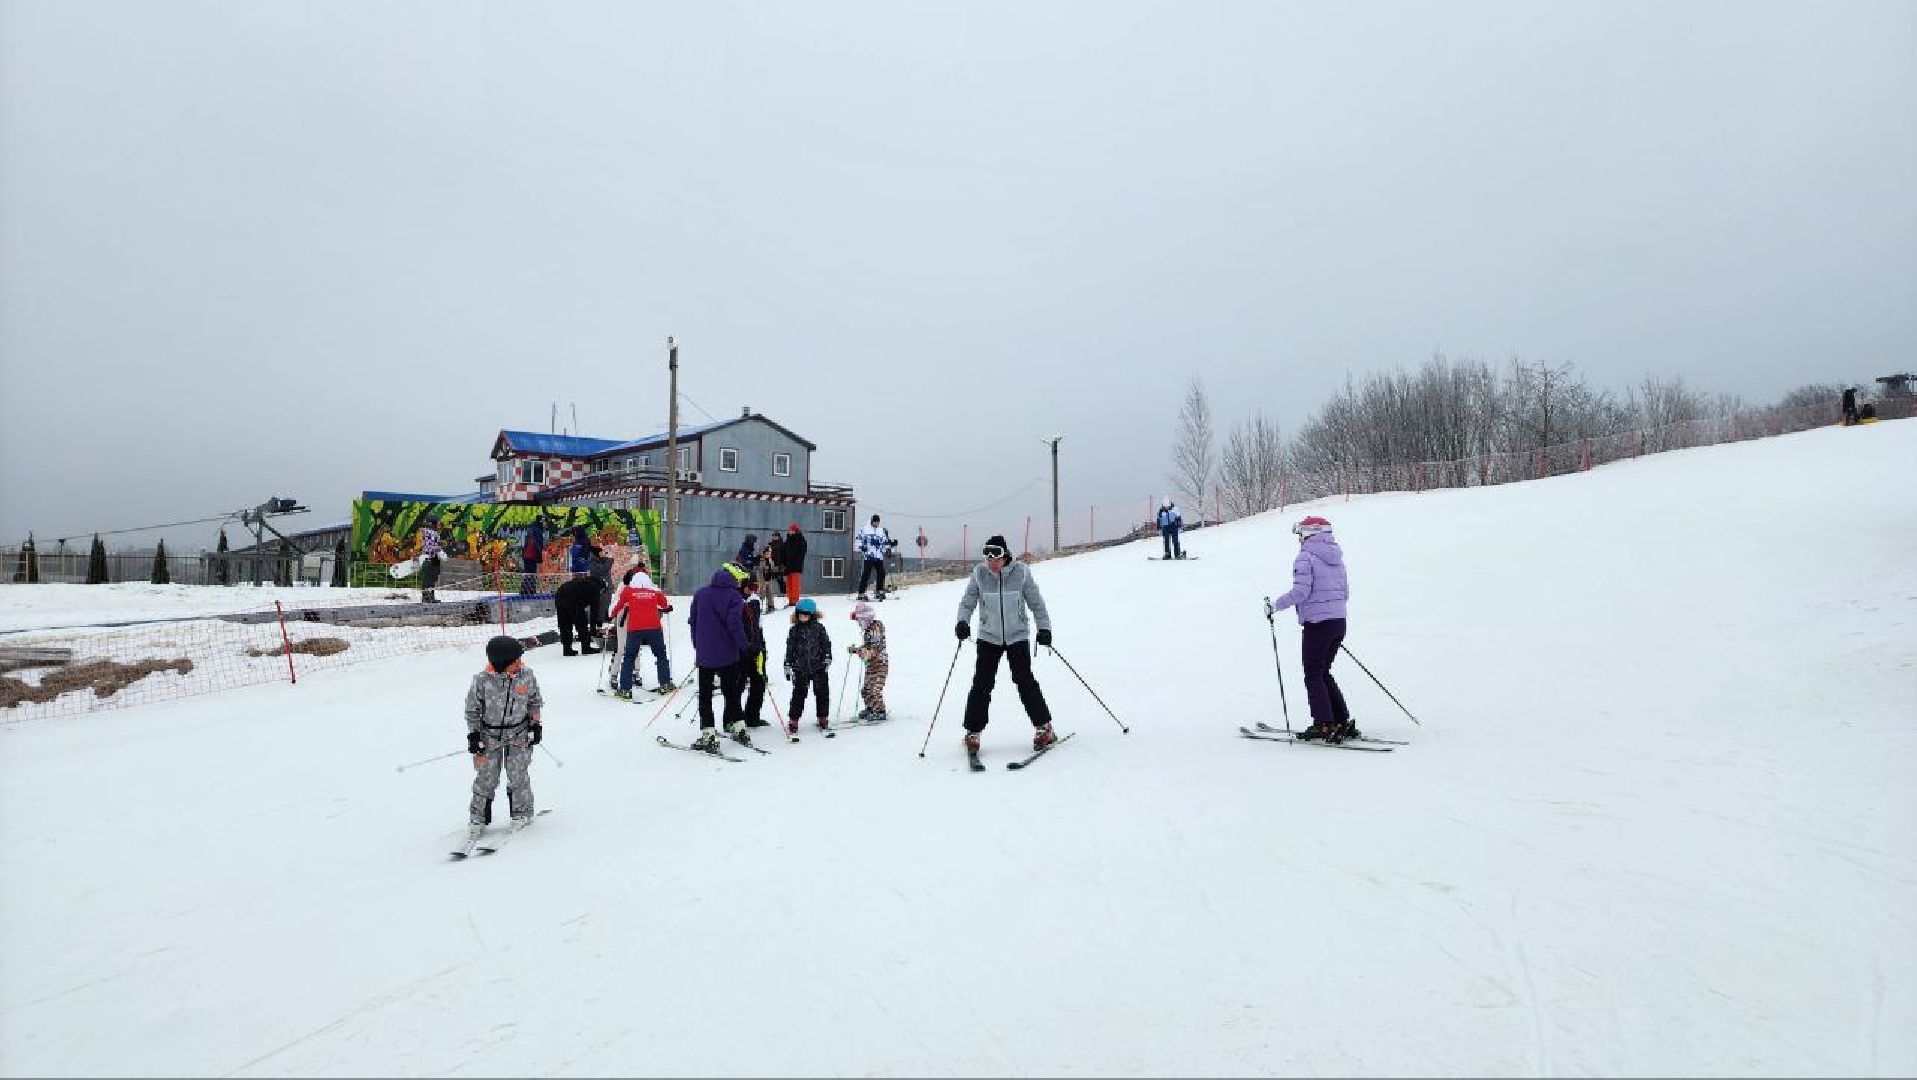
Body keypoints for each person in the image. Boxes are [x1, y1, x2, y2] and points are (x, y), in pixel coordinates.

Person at [954, 534, 1056, 754]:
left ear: (1005, 555)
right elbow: (968, 601)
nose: (992, 563)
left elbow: (1037, 604)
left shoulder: (1021, 573)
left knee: (1024, 680)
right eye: (988, 558)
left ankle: (1044, 728)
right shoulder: (979, 574)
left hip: (1017, 635)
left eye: (996, 557)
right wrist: (962, 622)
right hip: (988, 636)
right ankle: (973, 732)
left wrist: (1044, 628)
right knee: (982, 683)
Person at [1269, 515, 1354, 742]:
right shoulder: (1337, 557)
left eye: (1300, 535)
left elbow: (1300, 592)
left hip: (1318, 625)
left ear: (1310, 534)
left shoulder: (1305, 558)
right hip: (1338, 623)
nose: (1299, 539)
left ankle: (1324, 723)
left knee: (1313, 675)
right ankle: (1340, 719)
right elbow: (1345, 592)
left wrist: (1275, 606)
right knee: (1323, 672)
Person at [464, 634, 544, 838]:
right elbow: (472, 710)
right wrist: (474, 735)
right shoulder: (482, 681)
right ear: (501, 663)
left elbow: (534, 701)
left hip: (519, 734)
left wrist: (536, 725)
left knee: (518, 775)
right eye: (515, 659)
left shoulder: (526, 675)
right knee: (486, 777)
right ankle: (478, 817)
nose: (520, 662)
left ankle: (521, 813)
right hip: (489, 737)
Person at [688, 562, 753, 750]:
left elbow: (693, 621)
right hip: (728, 654)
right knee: (731, 691)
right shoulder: (734, 597)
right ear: (734, 577)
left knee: (705, 694)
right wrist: (745, 647)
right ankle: (740, 727)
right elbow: (735, 625)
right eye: (740, 580)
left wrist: (698, 646)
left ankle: (708, 733)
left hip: (705, 653)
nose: (741, 584)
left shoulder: (700, 594)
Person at [610, 568, 673, 697]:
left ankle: (625, 690)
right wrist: (667, 608)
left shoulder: (628, 591)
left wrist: (612, 615)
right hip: (654, 628)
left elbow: (619, 605)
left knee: (629, 658)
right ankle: (665, 683)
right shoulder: (654, 591)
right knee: (660, 655)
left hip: (635, 630)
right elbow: (665, 605)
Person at [782, 597, 832, 733]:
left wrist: (827, 657)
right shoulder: (794, 631)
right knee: (799, 695)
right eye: (800, 615)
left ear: (812, 615)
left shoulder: (819, 628)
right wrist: (787, 664)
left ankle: (822, 717)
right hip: (800, 669)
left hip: (819, 667)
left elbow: (826, 644)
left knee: (822, 693)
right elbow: (790, 649)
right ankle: (793, 720)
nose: (803, 617)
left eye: (806, 615)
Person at [737, 577, 771, 728]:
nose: (754, 590)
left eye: (756, 587)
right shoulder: (736, 601)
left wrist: (762, 647)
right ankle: (734, 719)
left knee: (759, 683)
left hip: (756, 649)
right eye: (751, 587)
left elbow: (758, 628)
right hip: (741, 651)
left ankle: (752, 717)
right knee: (738, 686)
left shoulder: (755, 601)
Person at [848, 600, 889, 721]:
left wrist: (861, 652)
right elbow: (868, 648)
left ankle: (880, 711)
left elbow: (874, 650)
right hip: (871, 665)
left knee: (874, 689)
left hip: (880, 664)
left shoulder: (874, 630)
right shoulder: (868, 630)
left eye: (859, 621)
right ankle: (870, 708)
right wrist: (857, 650)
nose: (859, 624)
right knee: (866, 689)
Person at [553, 574, 602, 656]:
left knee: (565, 624)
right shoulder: (595, 588)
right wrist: (593, 629)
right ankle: (586, 648)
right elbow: (594, 610)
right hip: (574, 601)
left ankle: (567, 649)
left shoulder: (585, 582)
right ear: (602, 587)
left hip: (560, 595)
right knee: (582, 623)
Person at [854, 514, 896, 600]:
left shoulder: (881, 531)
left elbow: (885, 542)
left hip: (878, 556)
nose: (876, 523)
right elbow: (858, 540)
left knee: (881, 573)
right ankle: (861, 593)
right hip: (869, 555)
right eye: (875, 522)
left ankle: (879, 591)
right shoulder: (865, 530)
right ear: (872, 521)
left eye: (878, 522)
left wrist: (890, 545)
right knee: (866, 574)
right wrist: (862, 547)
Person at [780, 521, 808, 608]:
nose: (790, 531)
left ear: (795, 531)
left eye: (791, 530)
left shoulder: (800, 539)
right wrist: (783, 563)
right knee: (789, 585)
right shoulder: (788, 540)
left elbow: (801, 553)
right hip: (788, 566)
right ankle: (790, 600)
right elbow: (784, 552)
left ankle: (794, 601)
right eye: (789, 530)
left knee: (794, 584)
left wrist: (796, 562)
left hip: (796, 566)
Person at [589, 547, 615, 633]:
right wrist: (610, 561)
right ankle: (599, 621)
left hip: (607, 586)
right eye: (601, 552)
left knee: (607, 602)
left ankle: (605, 616)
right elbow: (602, 570)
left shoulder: (601, 560)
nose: (603, 553)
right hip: (600, 588)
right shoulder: (592, 562)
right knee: (601, 603)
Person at [418, 521, 444, 603]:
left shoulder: (428, 532)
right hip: (431, 558)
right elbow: (430, 547)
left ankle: (429, 597)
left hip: (432, 558)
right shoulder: (431, 533)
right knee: (429, 579)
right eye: (439, 524)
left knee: (431, 579)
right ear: (434, 523)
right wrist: (439, 547)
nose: (440, 526)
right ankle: (427, 598)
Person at [758, 533, 784, 610]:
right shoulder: (762, 561)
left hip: (769, 579)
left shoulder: (770, 560)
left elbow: (772, 568)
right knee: (762, 593)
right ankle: (760, 606)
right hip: (763, 580)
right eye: (768, 553)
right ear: (764, 553)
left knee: (770, 592)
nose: (769, 554)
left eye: (770, 552)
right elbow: (760, 571)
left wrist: (777, 570)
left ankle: (770, 605)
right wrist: (762, 581)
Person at [519, 519, 546, 596]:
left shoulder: (532, 529)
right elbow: (537, 546)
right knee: (531, 574)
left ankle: (526, 590)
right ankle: (528, 591)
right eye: (544, 522)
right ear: (541, 522)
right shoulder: (537, 531)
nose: (545, 524)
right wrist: (539, 559)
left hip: (527, 554)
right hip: (531, 555)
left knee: (528, 573)